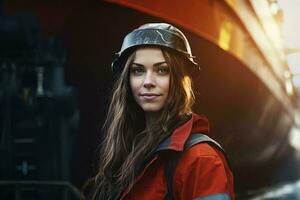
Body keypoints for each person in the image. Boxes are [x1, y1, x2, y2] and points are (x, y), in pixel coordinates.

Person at [89, 23, 234, 200]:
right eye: (138, 70)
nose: (148, 81)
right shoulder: (126, 152)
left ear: (180, 79)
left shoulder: (202, 159)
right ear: (127, 80)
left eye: (162, 70)